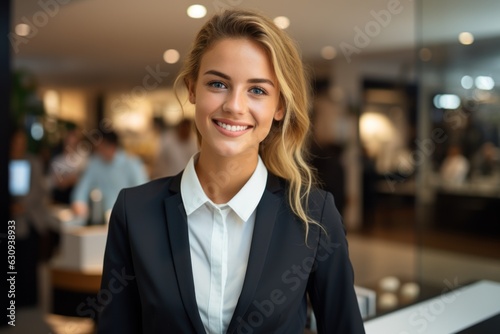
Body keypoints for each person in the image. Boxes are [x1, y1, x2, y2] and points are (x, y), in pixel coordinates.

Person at [98, 9, 364, 334]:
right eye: (218, 83)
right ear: (192, 89)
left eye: (257, 90)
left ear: (279, 106)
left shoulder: (314, 215)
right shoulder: (134, 211)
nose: (235, 106)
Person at [71, 130, 148, 220]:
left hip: (127, 217)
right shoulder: (95, 163)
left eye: (101, 146)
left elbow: (143, 193)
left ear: (111, 146)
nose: (98, 149)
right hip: (100, 217)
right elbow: (83, 187)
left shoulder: (132, 163)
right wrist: (79, 202)